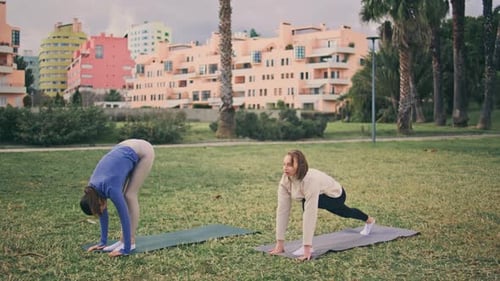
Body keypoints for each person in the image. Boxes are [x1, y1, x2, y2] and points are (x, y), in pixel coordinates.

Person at [269, 149, 375, 261]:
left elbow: (310, 214)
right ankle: (369, 220)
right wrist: (279, 244)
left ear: (299, 166)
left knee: (344, 212)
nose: (285, 168)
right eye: (284, 164)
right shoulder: (285, 179)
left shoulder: (310, 180)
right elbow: (282, 210)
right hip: (320, 195)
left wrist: (307, 248)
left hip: (335, 195)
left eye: (290, 165)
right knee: (345, 211)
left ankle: (369, 220)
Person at [80, 139, 155, 257]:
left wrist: (125, 250)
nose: (101, 212)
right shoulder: (92, 191)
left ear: (97, 202)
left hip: (143, 150)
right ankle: (122, 241)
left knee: (129, 195)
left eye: (99, 209)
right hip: (125, 148)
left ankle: (130, 243)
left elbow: (124, 216)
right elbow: (102, 213)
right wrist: (102, 243)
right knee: (126, 194)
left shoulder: (110, 188)